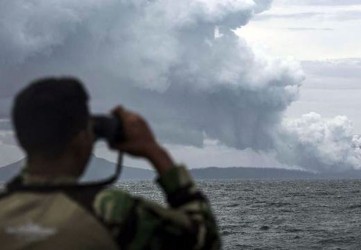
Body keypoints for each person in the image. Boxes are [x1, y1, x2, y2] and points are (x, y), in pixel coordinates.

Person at [0, 77, 221, 249]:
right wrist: (154, 150)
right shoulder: (113, 212)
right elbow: (203, 239)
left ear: (20, 138)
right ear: (81, 140)